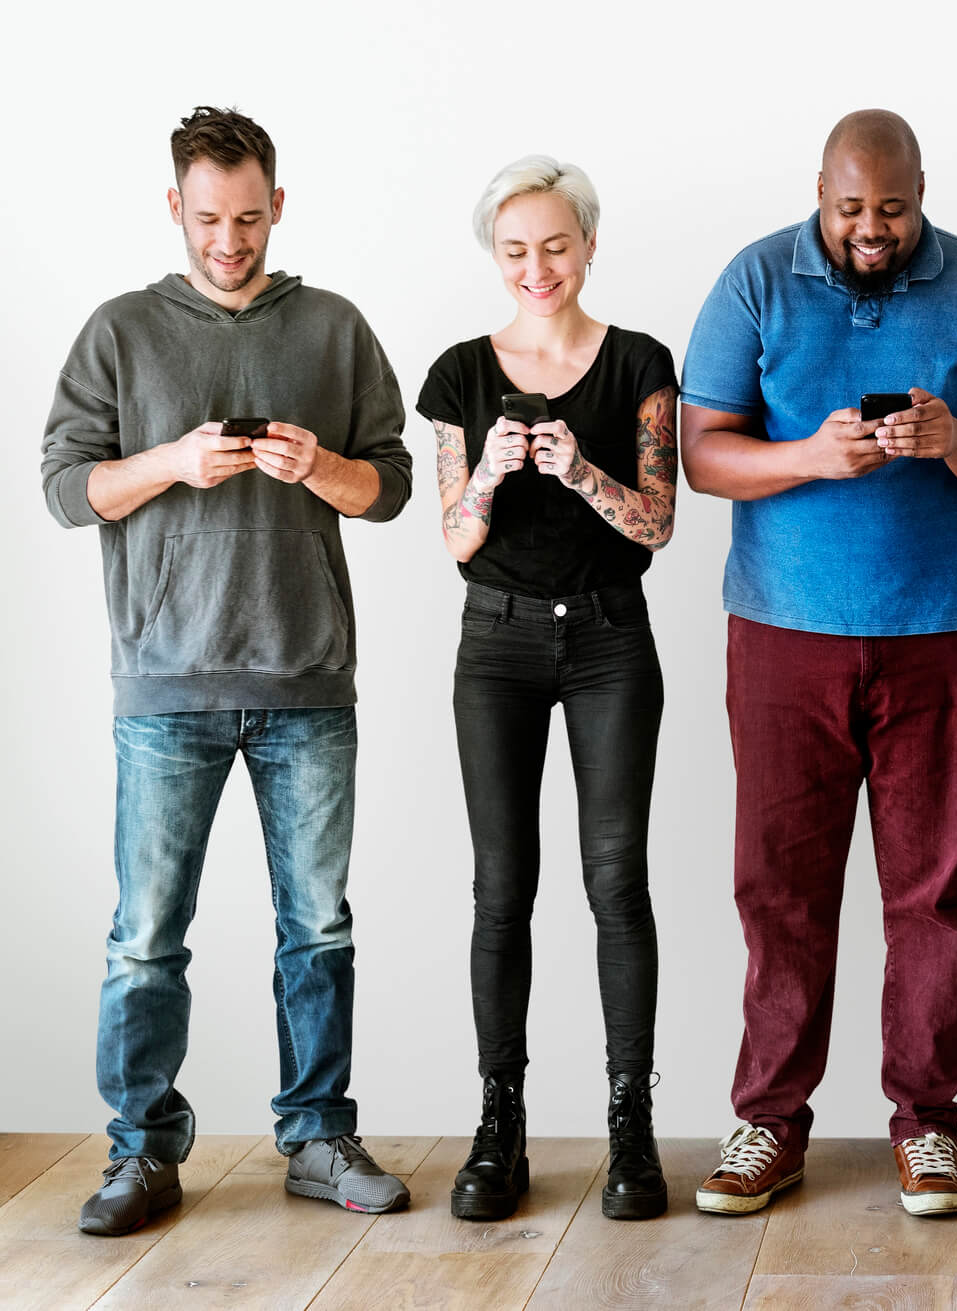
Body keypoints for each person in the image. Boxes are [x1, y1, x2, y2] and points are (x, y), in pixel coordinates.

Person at [41, 106, 415, 1235]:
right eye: (209, 219)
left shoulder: (334, 328)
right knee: (146, 936)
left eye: (249, 218)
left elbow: (390, 485)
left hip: (308, 683)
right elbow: (67, 490)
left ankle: (316, 1136)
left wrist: (323, 467)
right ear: (175, 209)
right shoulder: (119, 332)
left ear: (278, 206)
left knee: (319, 929)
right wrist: (168, 460)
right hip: (166, 687)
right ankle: (142, 1152)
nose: (230, 240)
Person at [679, 109, 957, 1218]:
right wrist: (806, 455)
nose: (871, 229)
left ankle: (925, 1128)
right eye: (850, 209)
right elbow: (701, 456)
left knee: (930, 893)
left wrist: (954, 444)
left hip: (942, 635)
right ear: (821, 193)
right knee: (778, 888)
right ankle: (767, 1122)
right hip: (783, 637)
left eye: (890, 208)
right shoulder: (754, 280)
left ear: (921, 190)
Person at [416, 156, 680, 1222]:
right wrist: (488, 467)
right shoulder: (457, 375)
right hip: (497, 645)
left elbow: (657, 524)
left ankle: (631, 1129)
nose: (537, 267)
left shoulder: (639, 364)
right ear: (496, 254)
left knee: (615, 880)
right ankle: (499, 1128)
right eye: (516, 249)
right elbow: (455, 537)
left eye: (555, 245)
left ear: (588, 244)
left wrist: (577, 469)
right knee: (499, 887)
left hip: (612, 638)